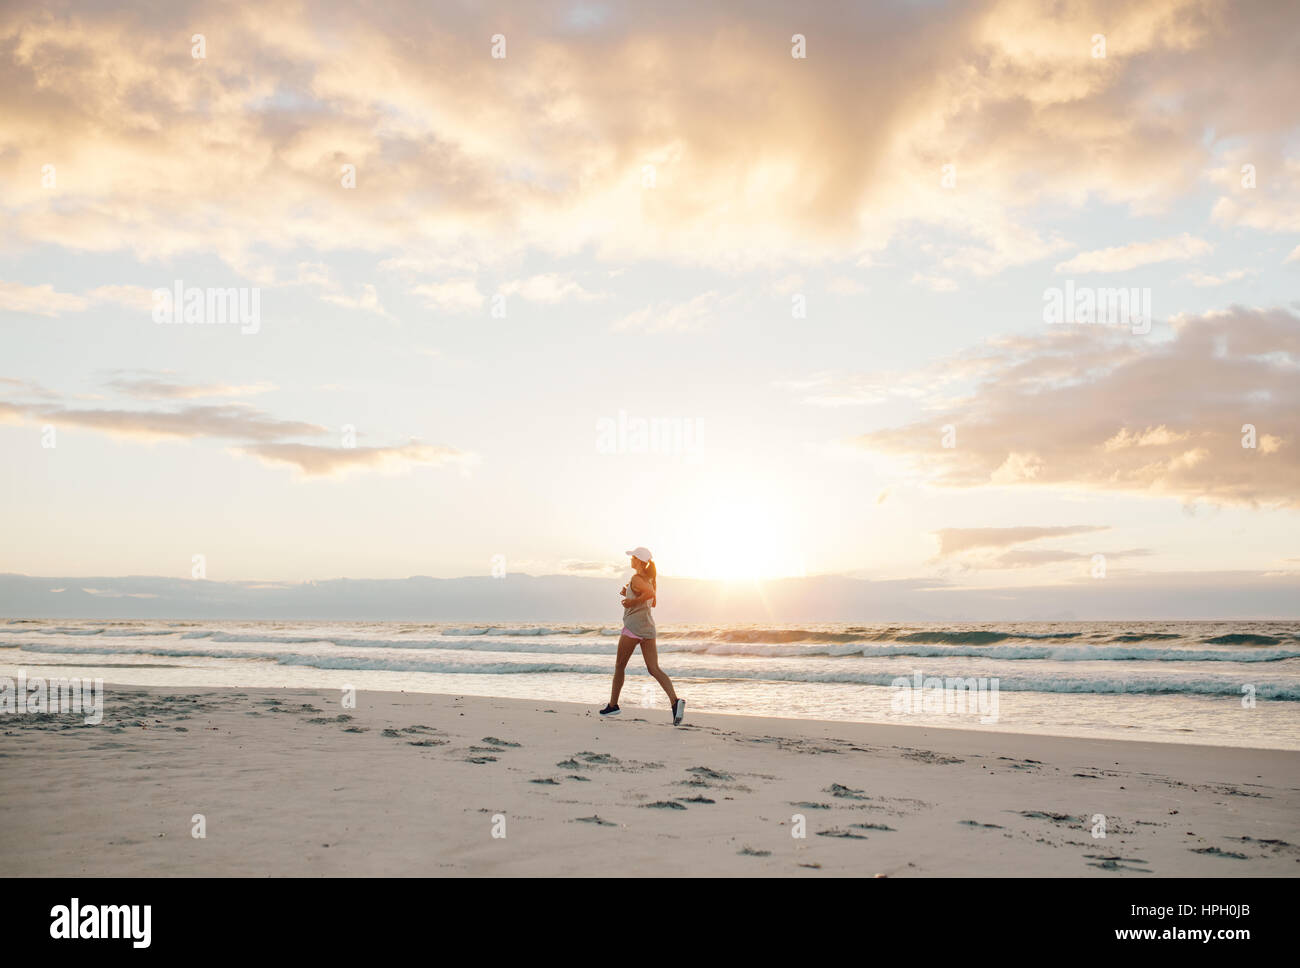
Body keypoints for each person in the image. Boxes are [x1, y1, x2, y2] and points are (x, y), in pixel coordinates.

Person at [600, 546, 684, 725]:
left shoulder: (637, 578)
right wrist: (630, 592)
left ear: (639, 560)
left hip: (633, 628)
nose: (630, 560)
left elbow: (649, 596)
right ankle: (675, 702)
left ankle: (613, 705)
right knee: (654, 668)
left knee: (619, 666)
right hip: (648, 629)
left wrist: (631, 600)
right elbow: (652, 602)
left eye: (632, 557)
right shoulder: (651, 579)